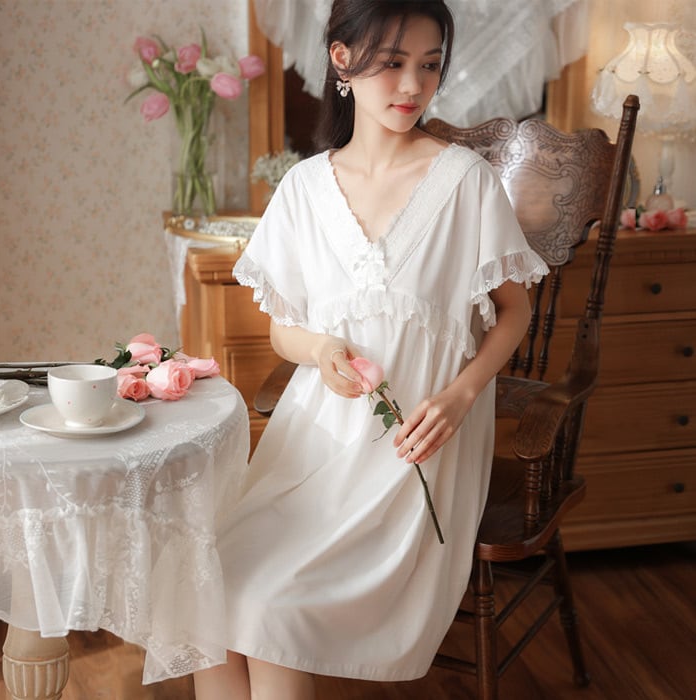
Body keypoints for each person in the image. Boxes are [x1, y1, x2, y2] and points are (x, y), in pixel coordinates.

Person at [193, 1, 548, 698]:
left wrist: (461, 395)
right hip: (312, 447)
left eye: (430, 65)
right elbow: (283, 331)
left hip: (414, 452)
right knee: (206, 591)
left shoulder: (464, 182)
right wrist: (320, 348)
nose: (413, 86)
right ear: (342, 60)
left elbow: (515, 311)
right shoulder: (303, 188)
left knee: (268, 608)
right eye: (392, 63)